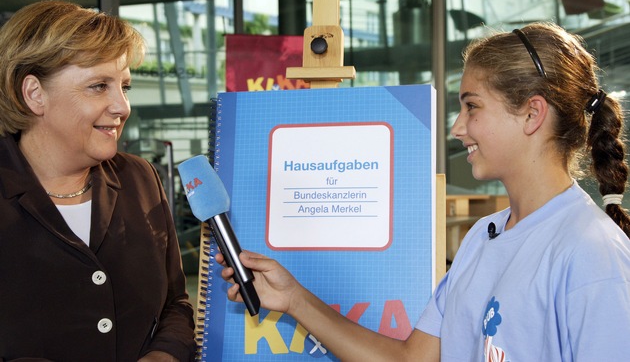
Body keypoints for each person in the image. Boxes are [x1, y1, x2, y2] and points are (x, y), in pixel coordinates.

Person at [218, 22, 630, 361]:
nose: (457, 127)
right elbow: (410, 359)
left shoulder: (592, 254)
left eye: (472, 106)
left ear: (531, 113)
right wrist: (294, 299)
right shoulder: (482, 238)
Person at [0, 0, 196, 361]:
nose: (122, 107)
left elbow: (175, 304)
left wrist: (163, 356)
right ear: (34, 94)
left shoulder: (140, 178)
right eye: (98, 86)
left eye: (125, 86)